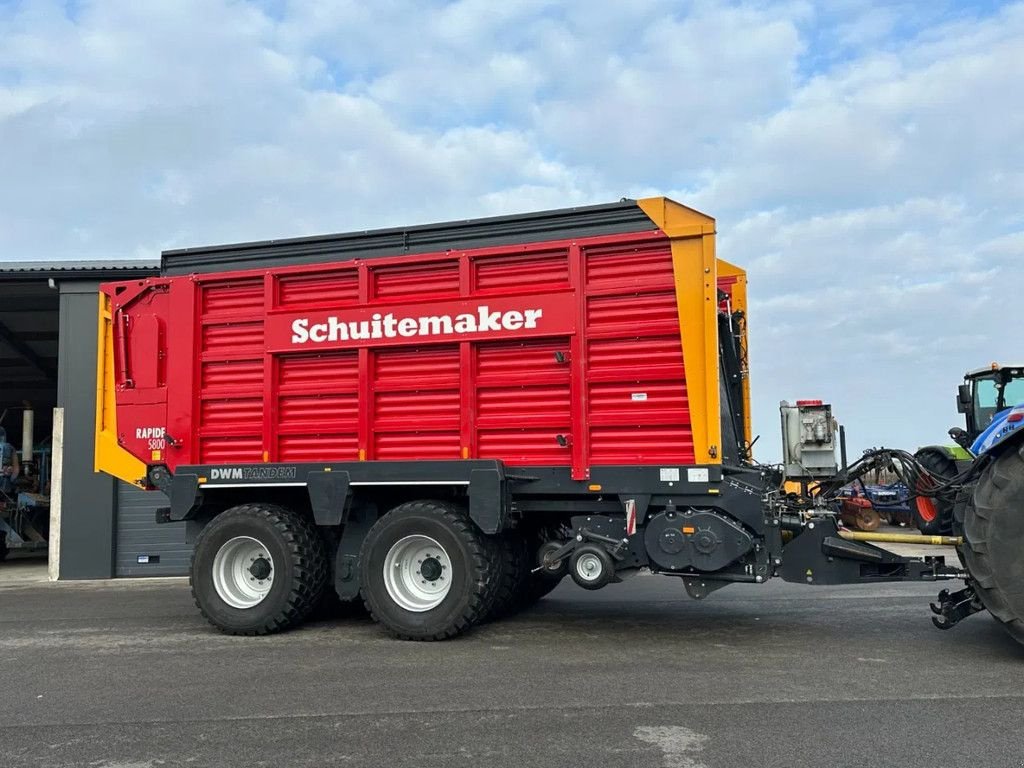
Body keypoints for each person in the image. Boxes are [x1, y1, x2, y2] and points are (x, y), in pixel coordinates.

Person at [0, 427, 20, 497]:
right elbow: (16, 470)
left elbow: (15, 469)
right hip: (6, 487)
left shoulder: (10, 448)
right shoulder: (10, 447)